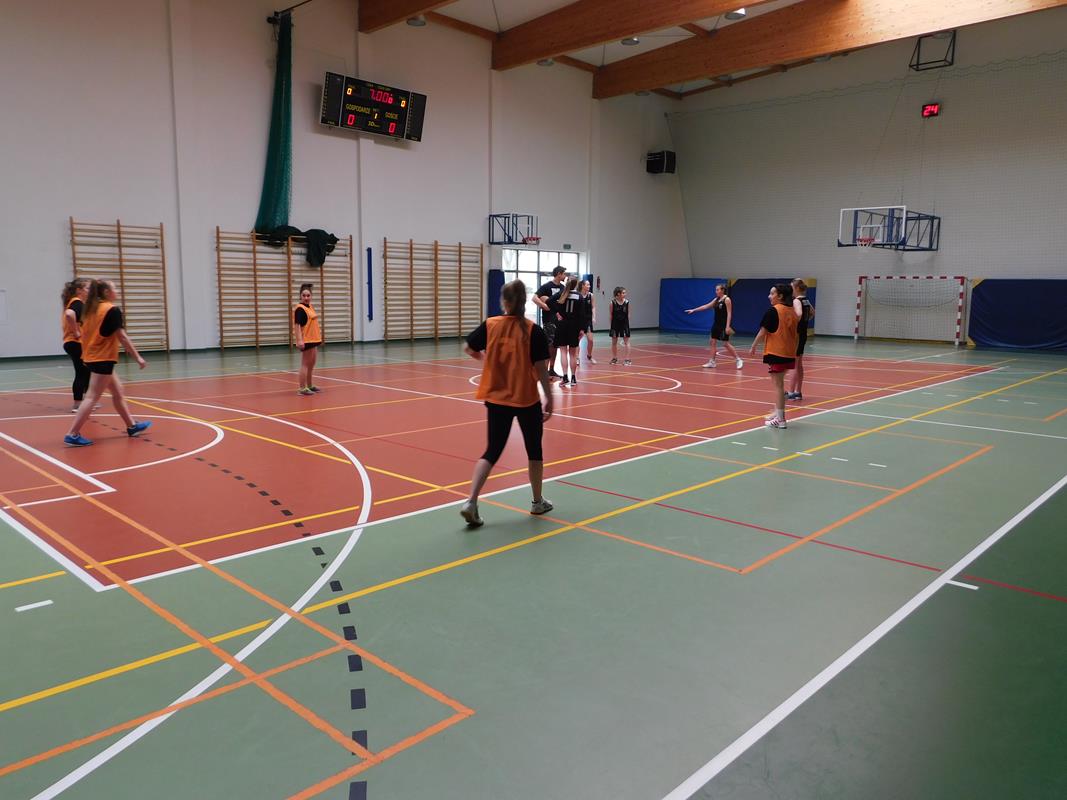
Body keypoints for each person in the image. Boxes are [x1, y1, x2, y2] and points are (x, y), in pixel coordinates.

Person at [460, 279, 555, 527]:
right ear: (524, 302)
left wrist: (487, 361)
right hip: (526, 399)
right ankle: (537, 501)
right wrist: (549, 397)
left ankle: (471, 501)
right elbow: (541, 370)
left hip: (496, 397)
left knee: (492, 451)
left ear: (503, 301)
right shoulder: (533, 330)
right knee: (534, 450)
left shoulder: (491, 325)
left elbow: (468, 347)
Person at [64, 279, 151, 446]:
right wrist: (138, 357)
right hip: (102, 358)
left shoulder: (91, 308)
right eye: (114, 288)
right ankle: (72, 434)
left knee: (118, 392)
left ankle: (131, 426)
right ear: (106, 292)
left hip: (91, 356)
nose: (117, 291)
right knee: (91, 397)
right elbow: (122, 337)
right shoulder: (111, 310)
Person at [749, 283, 798, 430]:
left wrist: (753, 345)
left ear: (780, 296)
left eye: (772, 293)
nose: (769, 296)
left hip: (777, 352)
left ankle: (781, 420)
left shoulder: (774, 311)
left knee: (778, 386)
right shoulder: (792, 311)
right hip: (789, 353)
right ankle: (778, 412)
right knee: (779, 385)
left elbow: (763, 332)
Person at [685, 283, 743, 370]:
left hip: (723, 325)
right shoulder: (716, 300)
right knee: (712, 342)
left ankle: (738, 359)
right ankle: (712, 362)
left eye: (717, 289)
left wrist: (727, 326)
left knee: (725, 344)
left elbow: (729, 314)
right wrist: (694, 310)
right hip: (716, 324)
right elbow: (706, 306)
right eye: (716, 290)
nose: (716, 291)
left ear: (722, 290)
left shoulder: (727, 299)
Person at [60, 278, 91, 413]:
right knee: (82, 372)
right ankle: (78, 404)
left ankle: (88, 401)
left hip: (72, 343)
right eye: (87, 288)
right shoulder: (77, 303)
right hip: (76, 343)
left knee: (87, 371)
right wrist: (76, 332)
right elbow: (69, 314)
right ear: (79, 290)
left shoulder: (73, 303)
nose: (90, 291)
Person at [533, 266, 567, 379]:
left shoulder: (563, 288)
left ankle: (551, 369)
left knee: (555, 346)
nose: (565, 276)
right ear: (559, 274)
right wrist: (544, 306)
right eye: (564, 274)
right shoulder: (547, 286)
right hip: (549, 320)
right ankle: (544, 371)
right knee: (548, 345)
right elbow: (534, 298)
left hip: (559, 321)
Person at [549, 277, 582, 388]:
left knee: (563, 352)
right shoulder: (579, 296)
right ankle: (573, 378)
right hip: (574, 326)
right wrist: (582, 329)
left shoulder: (562, 294)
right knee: (573, 353)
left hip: (562, 325)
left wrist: (557, 313)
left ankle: (565, 377)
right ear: (576, 284)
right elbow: (582, 314)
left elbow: (549, 301)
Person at [786, 279, 814, 401]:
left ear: (797, 288)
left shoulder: (796, 301)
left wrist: (791, 323)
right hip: (803, 334)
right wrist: (804, 322)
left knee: (794, 364)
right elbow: (812, 313)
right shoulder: (806, 300)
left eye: (791, 287)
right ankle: (798, 391)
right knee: (799, 363)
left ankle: (791, 392)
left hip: (796, 335)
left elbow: (799, 314)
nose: (790, 290)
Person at [293, 283, 323, 396]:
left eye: (308, 295)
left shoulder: (310, 306)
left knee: (311, 364)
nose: (306, 298)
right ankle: (302, 388)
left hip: (314, 339)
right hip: (307, 340)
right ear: (300, 296)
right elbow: (297, 326)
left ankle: (309, 385)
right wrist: (299, 340)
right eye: (304, 295)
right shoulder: (300, 309)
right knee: (305, 364)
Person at [609, 286, 631, 365]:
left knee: (626, 342)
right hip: (615, 324)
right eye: (623, 293)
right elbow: (611, 315)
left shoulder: (627, 302)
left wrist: (627, 325)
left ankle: (627, 359)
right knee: (614, 342)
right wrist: (611, 326)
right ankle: (614, 358)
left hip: (624, 324)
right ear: (618, 294)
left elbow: (628, 314)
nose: (625, 294)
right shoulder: (612, 303)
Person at [577, 279, 596, 365]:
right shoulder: (577, 295)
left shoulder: (591, 295)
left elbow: (593, 307)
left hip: (588, 321)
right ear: (582, 285)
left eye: (589, 285)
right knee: (577, 340)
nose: (589, 286)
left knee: (590, 340)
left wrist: (594, 317)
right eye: (587, 285)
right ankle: (577, 357)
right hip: (579, 321)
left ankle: (589, 356)